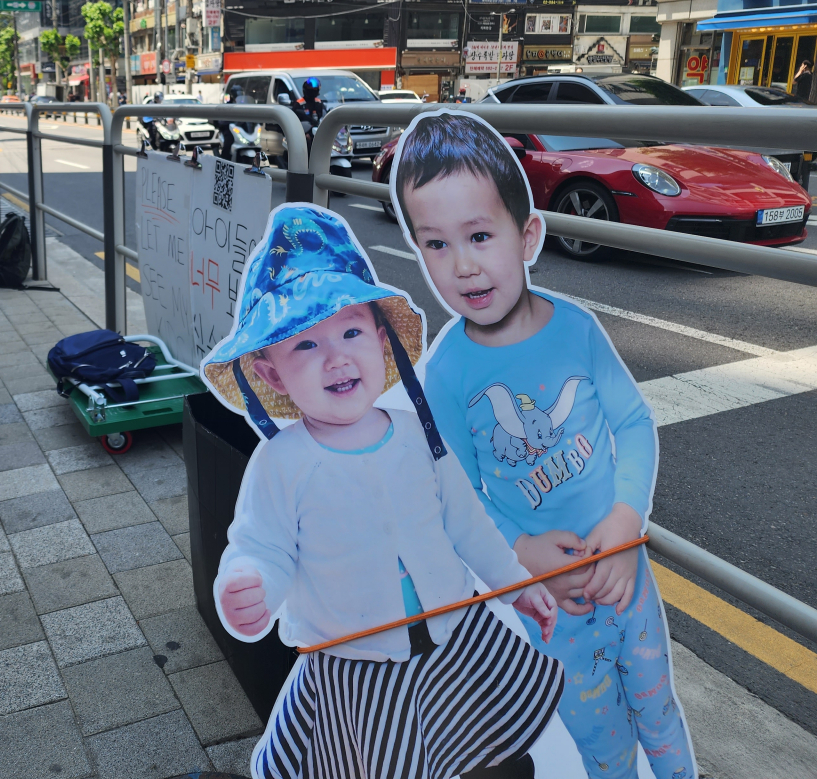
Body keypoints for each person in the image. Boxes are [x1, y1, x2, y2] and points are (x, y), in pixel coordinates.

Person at [204, 203, 565, 779]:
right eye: (305, 345)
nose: (337, 357)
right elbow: (262, 547)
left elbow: (465, 521)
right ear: (271, 375)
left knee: (482, 750)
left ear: (381, 340)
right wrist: (249, 589)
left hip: (457, 645)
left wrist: (513, 584)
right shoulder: (283, 462)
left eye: (350, 332)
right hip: (357, 667)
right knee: (378, 763)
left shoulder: (418, 434)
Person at [393, 112, 697, 779]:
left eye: (478, 234)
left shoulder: (577, 329)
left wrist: (625, 520)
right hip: (550, 608)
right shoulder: (446, 375)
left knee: (660, 712)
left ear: (526, 235)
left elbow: (633, 423)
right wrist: (520, 554)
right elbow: (455, 495)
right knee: (604, 746)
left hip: (626, 577)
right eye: (436, 245)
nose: (463, 265)